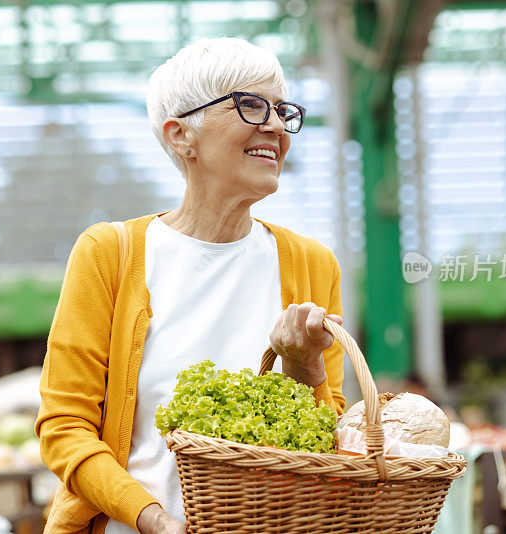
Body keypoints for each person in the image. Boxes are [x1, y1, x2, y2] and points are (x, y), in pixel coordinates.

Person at [36, 37, 346, 534]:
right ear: (181, 136)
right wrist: (153, 519)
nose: (273, 124)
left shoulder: (311, 263)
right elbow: (65, 428)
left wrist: (305, 366)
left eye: (281, 109)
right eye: (250, 104)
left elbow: (328, 439)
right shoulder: (110, 253)